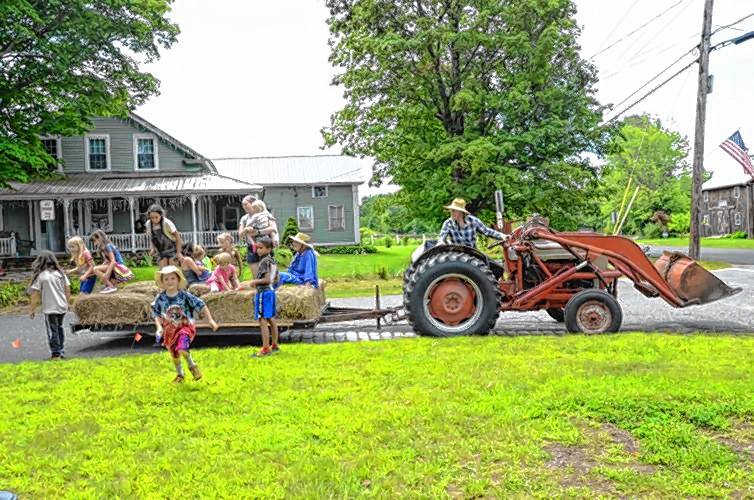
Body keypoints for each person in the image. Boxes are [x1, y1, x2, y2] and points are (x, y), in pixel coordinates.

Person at [152, 266, 218, 383]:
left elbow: (201, 305)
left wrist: (210, 320)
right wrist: (159, 327)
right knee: (175, 354)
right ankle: (180, 375)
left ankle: (193, 366)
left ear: (178, 280)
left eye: (172, 278)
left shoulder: (184, 295)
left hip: (185, 327)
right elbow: (156, 313)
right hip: (169, 330)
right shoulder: (160, 298)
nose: (169, 281)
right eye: (166, 279)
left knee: (182, 348)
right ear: (162, 282)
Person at [28, 251, 71, 360]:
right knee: (60, 328)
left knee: (52, 330)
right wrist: (68, 302)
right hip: (62, 306)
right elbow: (67, 289)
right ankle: (61, 350)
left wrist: (32, 309)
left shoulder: (42, 276)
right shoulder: (61, 274)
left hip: (50, 308)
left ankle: (55, 353)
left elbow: (35, 294)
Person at [248, 237, 280, 357]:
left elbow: (266, 279)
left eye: (261, 248)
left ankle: (265, 348)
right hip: (271, 292)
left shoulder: (265, 261)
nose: (258, 250)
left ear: (269, 249)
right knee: (271, 318)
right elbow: (276, 278)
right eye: (257, 248)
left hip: (264, 293)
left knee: (262, 320)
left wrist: (254, 282)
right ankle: (275, 345)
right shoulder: (272, 261)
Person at [438, 198, 508, 249]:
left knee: (492, 266)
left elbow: (487, 231)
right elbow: (442, 237)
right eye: (451, 211)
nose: (451, 213)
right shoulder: (448, 223)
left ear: (461, 212)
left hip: (472, 253)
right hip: (456, 254)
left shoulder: (473, 221)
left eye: (454, 211)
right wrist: (441, 242)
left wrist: (502, 236)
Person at [90, 229, 134, 294]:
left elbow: (113, 261)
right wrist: (101, 271)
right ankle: (109, 284)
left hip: (118, 267)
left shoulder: (107, 246)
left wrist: (107, 273)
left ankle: (110, 286)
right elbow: (107, 261)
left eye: (95, 241)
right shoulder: (103, 248)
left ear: (100, 238)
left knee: (95, 269)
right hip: (114, 266)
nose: (94, 243)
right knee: (96, 269)